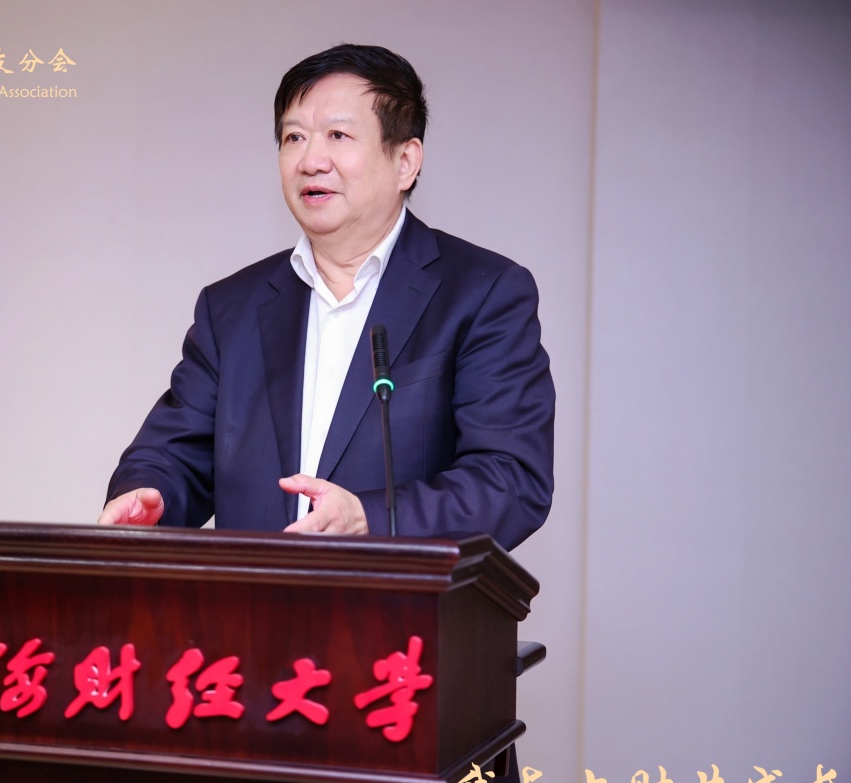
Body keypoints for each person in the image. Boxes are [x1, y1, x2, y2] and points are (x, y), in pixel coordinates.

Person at [98, 44, 554, 549]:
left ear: (405, 161)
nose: (311, 161)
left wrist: (369, 519)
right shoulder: (231, 308)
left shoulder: (482, 293)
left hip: (397, 597)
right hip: (253, 596)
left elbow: (511, 480)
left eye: (338, 135)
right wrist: (148, 494)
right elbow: (174, 451)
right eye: (294, 137)